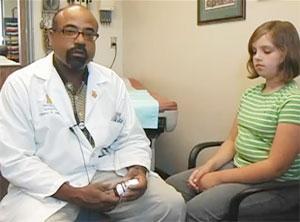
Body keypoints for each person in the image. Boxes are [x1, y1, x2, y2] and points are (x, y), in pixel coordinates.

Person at [0, 5, 185, 222]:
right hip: (48, 185)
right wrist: (76, 193)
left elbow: (132, 137)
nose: (80, 40)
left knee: (169, 205)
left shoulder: (111, 82)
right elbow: (15, 158)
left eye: (89, 34)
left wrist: (138, 169)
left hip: (104, 173)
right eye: (70, 31)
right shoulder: (21, 84)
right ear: (51, 37)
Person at [167, 20, 300, 221]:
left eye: (266, 51)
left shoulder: (293, 101)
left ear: (286, 53)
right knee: (173, 187)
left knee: (197, 209)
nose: (257, 58)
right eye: (254, 51)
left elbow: (275, 167)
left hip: (276, 185)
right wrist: (208, 167)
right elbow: (231, 141)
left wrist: (218, 178)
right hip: (240, 167)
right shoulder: (251, 94)